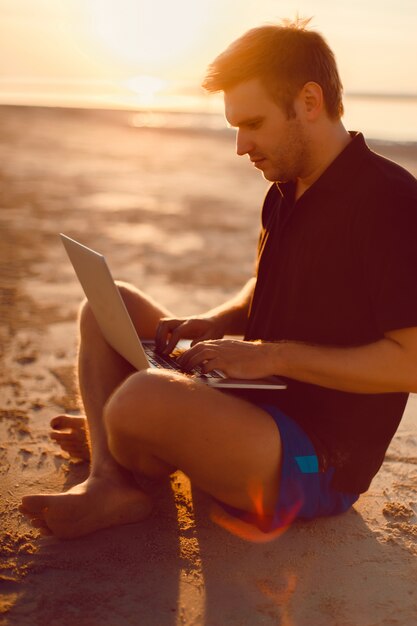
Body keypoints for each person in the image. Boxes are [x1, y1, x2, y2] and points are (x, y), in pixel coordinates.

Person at [20, 18, 417, 539]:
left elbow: (410, 363)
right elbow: (271, 287)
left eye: (252, 123)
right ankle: (113, 472)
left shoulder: (390, 201)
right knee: (106, 306)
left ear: (310, 101)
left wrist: (271, 355)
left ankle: (121, 441)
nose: (240, 146)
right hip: (252, 397)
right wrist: (216, 320)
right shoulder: (286, 189)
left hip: (315, 457)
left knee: (141, 398)